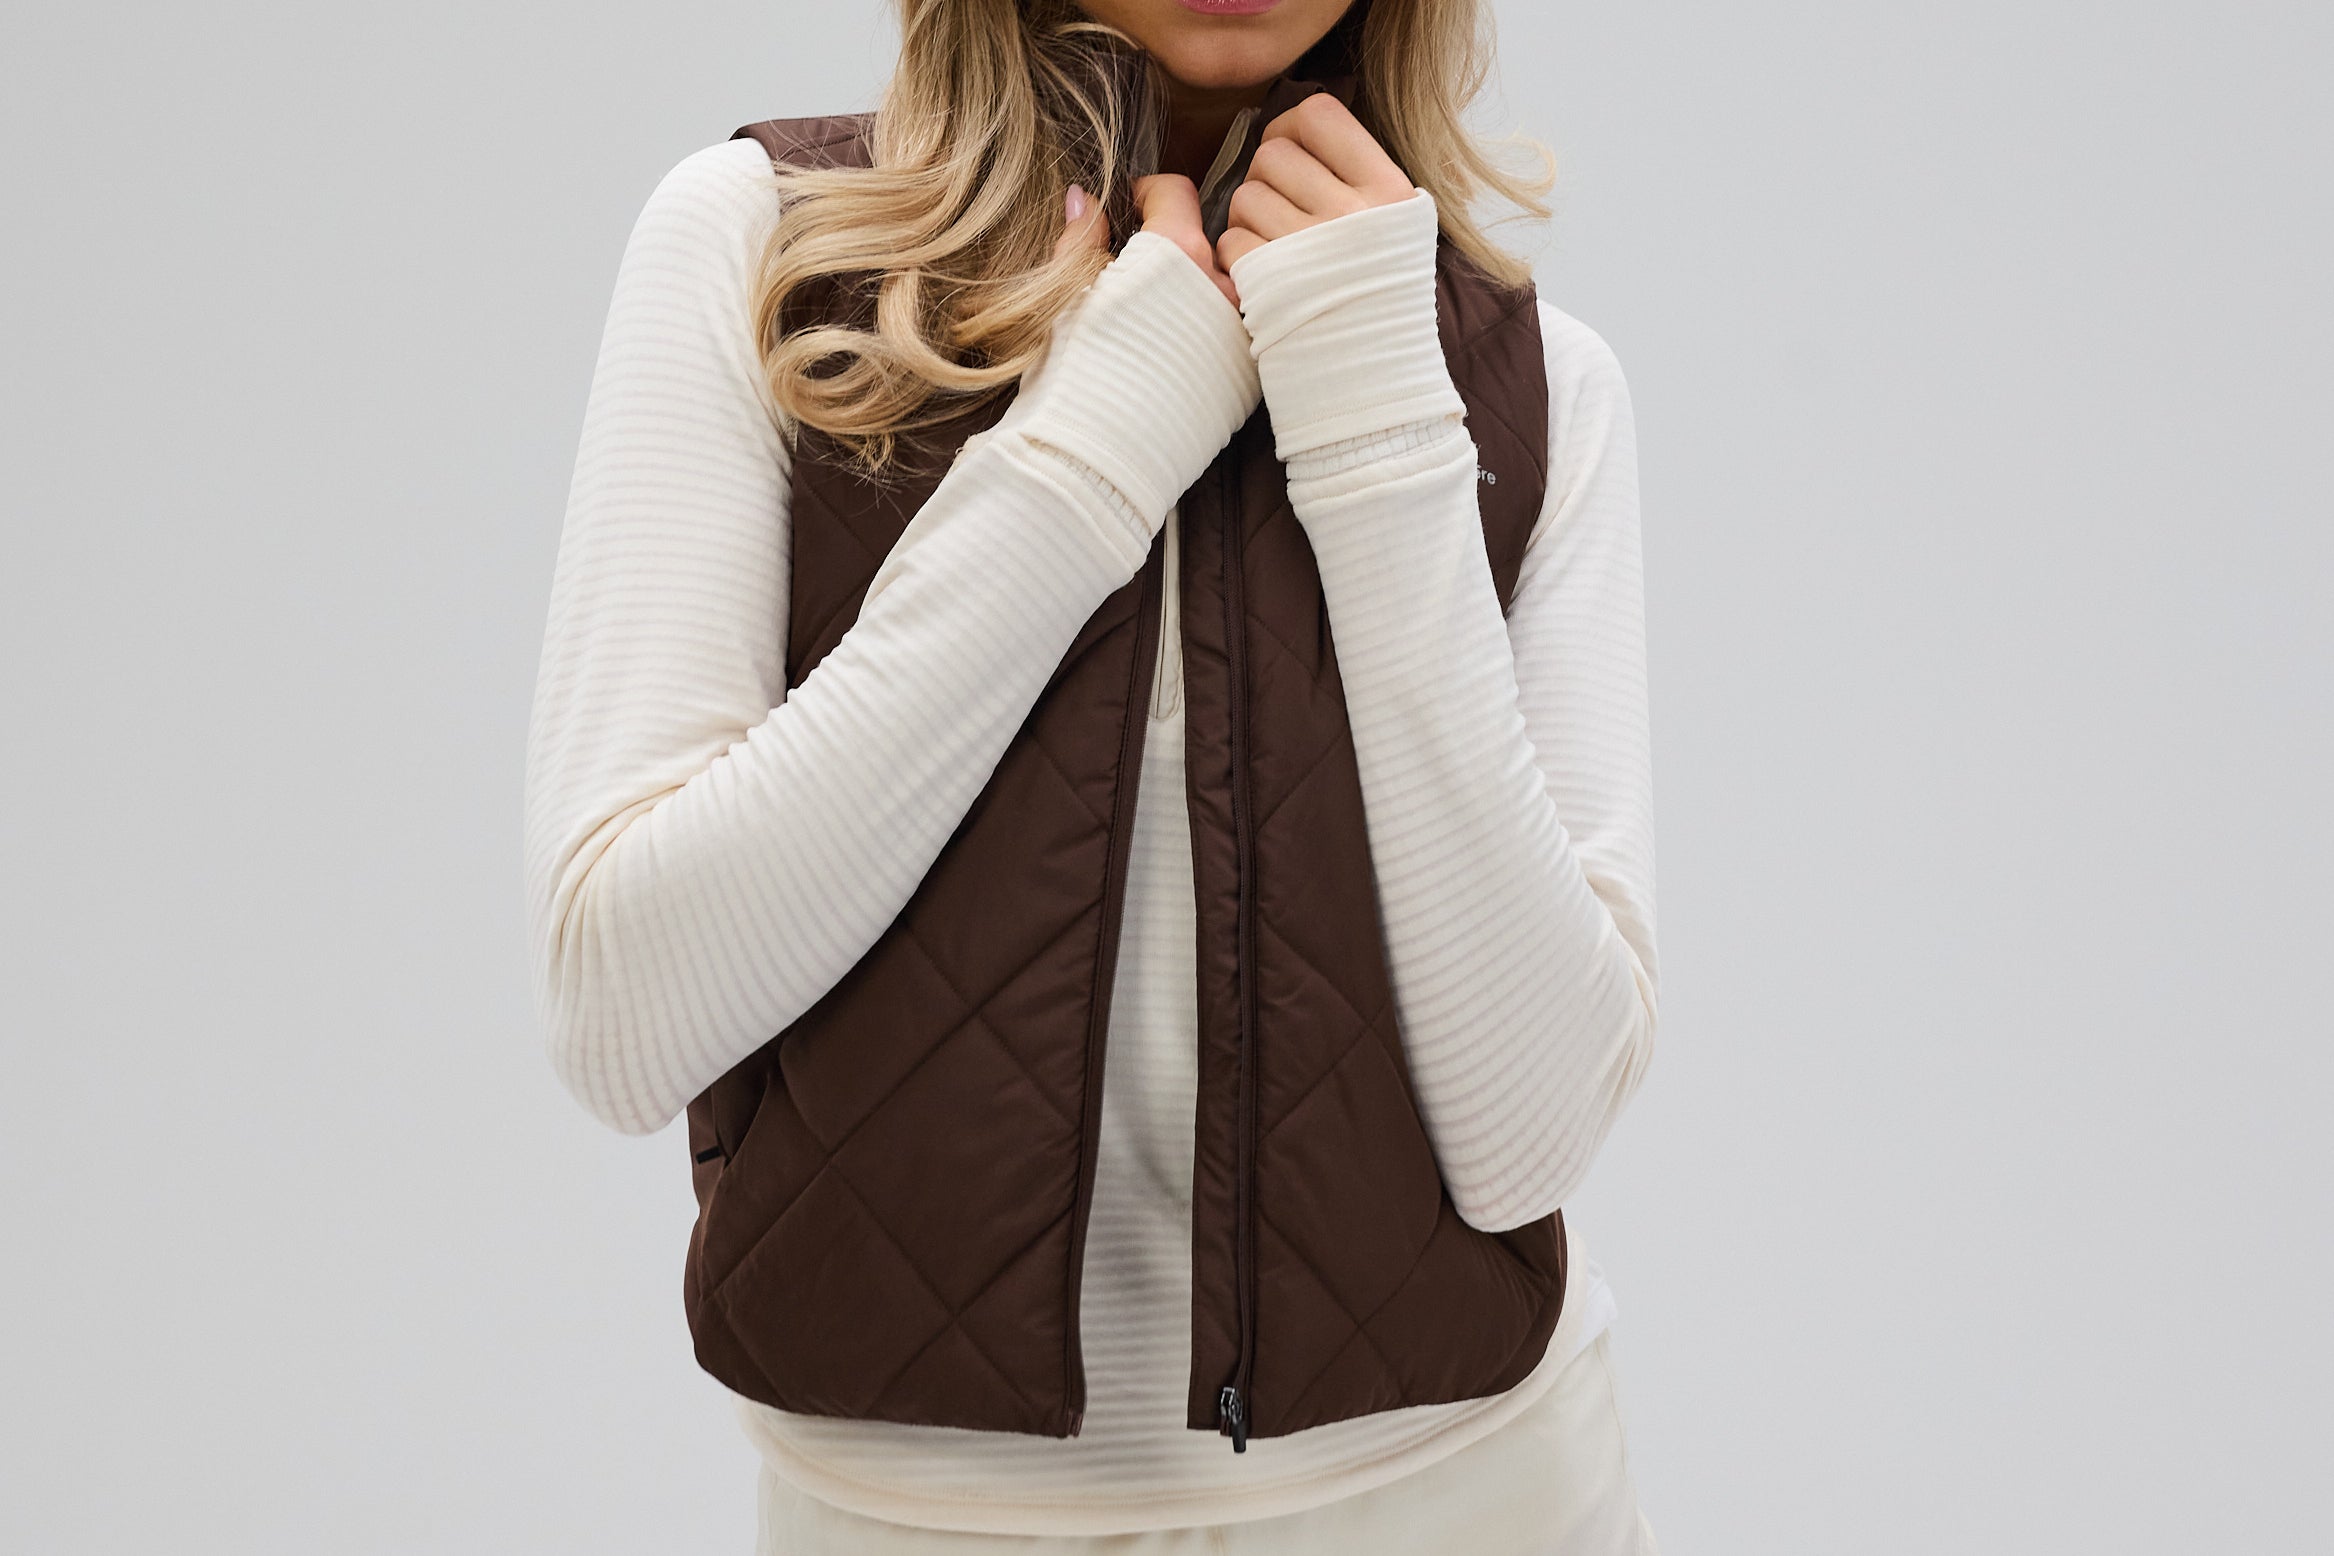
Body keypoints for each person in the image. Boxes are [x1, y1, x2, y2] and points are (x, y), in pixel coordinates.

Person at [522, 1, 1661, 1550]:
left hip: (1468, 1495)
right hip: (914, 1522)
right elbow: (620, 1011)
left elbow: (1533, 1137)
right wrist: (1098, 443)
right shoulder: (775, 255)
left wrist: (1381, 430)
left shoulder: (1531, 377)